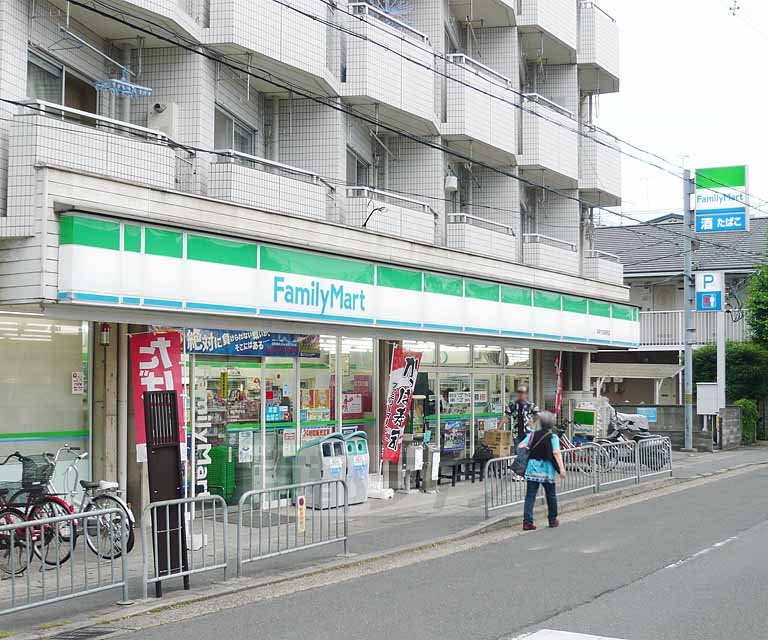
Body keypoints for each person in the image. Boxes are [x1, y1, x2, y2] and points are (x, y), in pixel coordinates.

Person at [517, 411, 566, 530]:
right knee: (551, 495)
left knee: (530, 496)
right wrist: (561, 468)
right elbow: (556, 453)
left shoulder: (532, 435)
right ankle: (552, 520)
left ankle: (527, 522)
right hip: (547, 470)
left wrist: (529, 449)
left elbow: (521, 446)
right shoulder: (553, 437)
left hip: (532, 468)